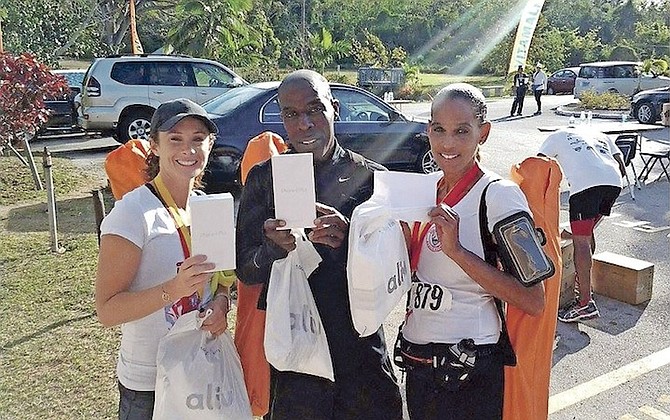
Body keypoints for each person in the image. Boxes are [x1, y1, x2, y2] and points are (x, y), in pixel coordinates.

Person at [235, 69, 403, 420]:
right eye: (292, 114)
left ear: (335, 109)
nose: (304, 124)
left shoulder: (371, 178)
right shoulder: (265, 178)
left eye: (314, 109)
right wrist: (273, 248)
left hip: (358, 349)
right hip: (296, 349)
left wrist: (351, 240)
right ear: (282, 118)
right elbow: (245, 269)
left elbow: (395, 273)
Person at [397, 83, 545, 420]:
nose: (448, 143)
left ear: (484, 133)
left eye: (462, 131)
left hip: (468, 368)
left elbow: (534, 300)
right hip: (419, 363)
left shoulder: (499, 196)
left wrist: (458, 252)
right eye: (439, 130)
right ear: (428, 131)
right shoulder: (425, 188)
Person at [95, 98, 232, 420]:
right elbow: (107, 310)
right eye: (175, 139)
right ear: (154, 146)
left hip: (201, 366)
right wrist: (174, 288)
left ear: (210, 145)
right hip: (149, 382)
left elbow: (222, 282)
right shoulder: (131, 213)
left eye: (198, 139)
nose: (188, 149)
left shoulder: (210, 208)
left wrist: (222, 303)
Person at [538, 127, 625, 322]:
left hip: (585, 185)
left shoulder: (557, 135)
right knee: (585, 233)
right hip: (614, 182)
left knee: (581, 242)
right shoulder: (599, 134)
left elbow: (538, 165)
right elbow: (621, 163)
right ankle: (584, 284)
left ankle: (585, 303)